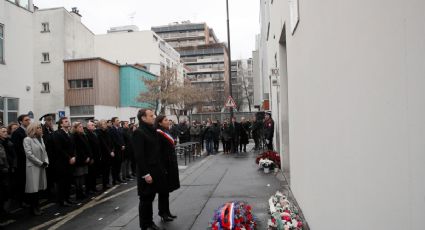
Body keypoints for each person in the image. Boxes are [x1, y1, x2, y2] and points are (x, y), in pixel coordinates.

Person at [133, 109, 166, 230]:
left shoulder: (152, 131)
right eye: (151, 116)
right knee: (145, 199)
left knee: (151, 198)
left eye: (154, 115)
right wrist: (146, 174)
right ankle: (144, 225)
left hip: (155, 170)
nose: (154, 117)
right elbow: (139, 156)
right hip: (146, 172)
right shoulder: (139, 132)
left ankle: (150, 222)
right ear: (143, 118)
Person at [155, 115, 180, 222]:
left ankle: (167, 211)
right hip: (164, 165)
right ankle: (162, 212)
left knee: (167, 191)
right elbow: (159, 152)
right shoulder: (159, 133)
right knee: (163, 191)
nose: (168, 121)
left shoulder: (166, 131)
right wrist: (162, 167)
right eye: (165, 120)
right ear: (160, 123)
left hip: (170, 164)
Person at [23, 122, 49, 215]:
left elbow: (45, 152)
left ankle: (37, 207)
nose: (40, 129)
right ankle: (33, 208)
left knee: (38, 188)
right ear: (33, 129)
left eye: (40, 127)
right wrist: (40, 163)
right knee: (33, 189)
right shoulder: (27, 139)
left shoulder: (40, 139)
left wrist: (46, 162)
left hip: (41, 166)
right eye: (38, 128)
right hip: (33, 167)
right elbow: (29, 155)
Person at [52, 117, 76, 206]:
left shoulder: (70, 134)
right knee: (62, 183)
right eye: (66, 121)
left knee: (68, 182)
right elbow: (59, 149)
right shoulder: (57, 134)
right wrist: (69, 157)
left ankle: (67, 198)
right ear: (61, 124)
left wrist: (74, 157)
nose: (68, 122)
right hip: (62, 162)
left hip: (71, 161)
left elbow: (73, 147)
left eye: (68, 121)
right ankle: (62, 200)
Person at [11, 114, 31, 207]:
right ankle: (21, 201)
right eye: (26, 120)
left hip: (29, 160)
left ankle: (27, 199)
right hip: (22, 161)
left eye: (29, 120)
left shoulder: (29, 131)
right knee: (22, 181)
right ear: (21, 122)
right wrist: (28, 154)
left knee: (28, 181)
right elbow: (18, 148)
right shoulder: (17, 132)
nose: (29, 121)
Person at [72, 122, 92, 199]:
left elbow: (87, 147)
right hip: (79, 160)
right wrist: (85, 157)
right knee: (78, 176)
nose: (81, 128)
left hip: (85, 159)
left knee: (82, 176)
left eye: (82, 127)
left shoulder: (83, 135)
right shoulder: (74, 136)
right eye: (79, 127)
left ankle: (81, 192)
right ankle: (78, 193)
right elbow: (78, 149)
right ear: (75, 128)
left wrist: (89, 156)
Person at [96, 120, 114, 190]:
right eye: (104, 124)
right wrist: (110, 152)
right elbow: (104, 144)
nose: (106, 125)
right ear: (100, 125)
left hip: (109, 154)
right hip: (104, 154)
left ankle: (106, 183)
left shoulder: (107, 132)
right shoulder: (99, 132)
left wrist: (112, 150)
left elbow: (110, 142)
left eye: (106, 124)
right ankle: (104, 184)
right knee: (104, 170)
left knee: (107, 169)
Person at [109, 117, 126, 184]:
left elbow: (122, 138)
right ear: (113, 122)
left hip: (121, 149)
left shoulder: (119, 129)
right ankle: (114, 180)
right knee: (115, 166)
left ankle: (118, 178)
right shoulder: (111, 130)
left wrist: (123, 145)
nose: (118, 121)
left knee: (119, 165)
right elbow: (113, 140)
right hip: (116, 150)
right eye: (117, 120)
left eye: (118, 120)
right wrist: (120, 146)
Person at [86, 121, 101, 193]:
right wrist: (91, 157)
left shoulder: (94, 133)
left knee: (94, 173)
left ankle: (94, 187)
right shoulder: (87, 134)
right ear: (88, 127)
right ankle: (89, 188)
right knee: (90, 174)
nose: (93, 126)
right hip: (92, 157)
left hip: (96, 156)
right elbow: (89, 147)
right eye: (92, 125)